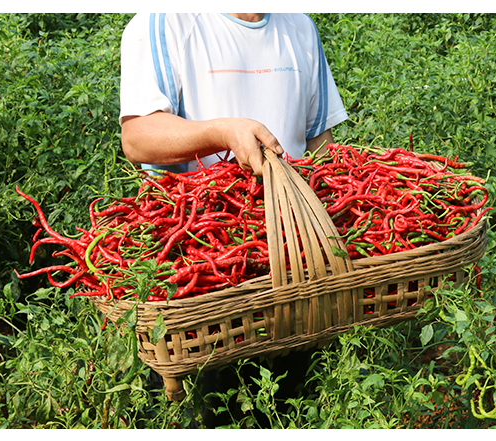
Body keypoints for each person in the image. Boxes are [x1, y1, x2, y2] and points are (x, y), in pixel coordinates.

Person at [118, 12, 348, 427]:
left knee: (291, 410)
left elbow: (320, 146)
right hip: (201, 276)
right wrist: (224, 132)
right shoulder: (164, 21)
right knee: (203, 413)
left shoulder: (299, 26)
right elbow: (138, 137)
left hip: (293, 273)